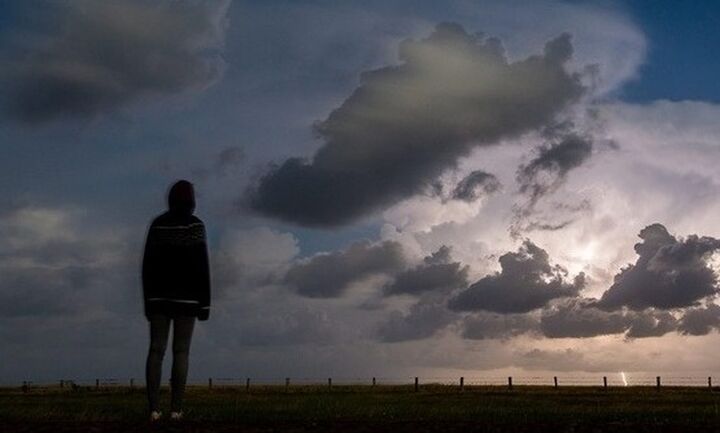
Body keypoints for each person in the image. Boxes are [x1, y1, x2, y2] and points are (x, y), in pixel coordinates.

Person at [142, 180, 210, 421]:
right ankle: (176, 410)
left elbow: (147, 265)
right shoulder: (196, 226)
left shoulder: (159, 225)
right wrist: (205, 303)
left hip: (158, 298)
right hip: (188, 300)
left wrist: (147, 300)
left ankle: (153, 409)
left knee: (156, 350)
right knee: (181, 351)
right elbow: (202, 266)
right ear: (192, 200)